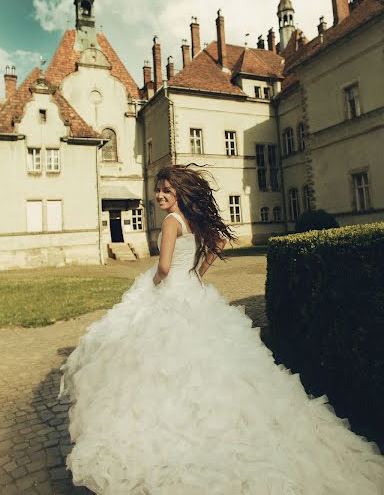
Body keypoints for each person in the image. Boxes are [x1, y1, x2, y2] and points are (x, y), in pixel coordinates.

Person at [59, 164, 384, 495]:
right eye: (158, 189)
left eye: (166, 191)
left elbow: (166, 267)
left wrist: (151, 283)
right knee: (207, 358)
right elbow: (217, 242)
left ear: (179, 193)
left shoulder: (172, 222)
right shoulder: (192, 219)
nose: (159, 195)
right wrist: (198, 273)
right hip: (193, 291)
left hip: (172, 293)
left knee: (163, 360)